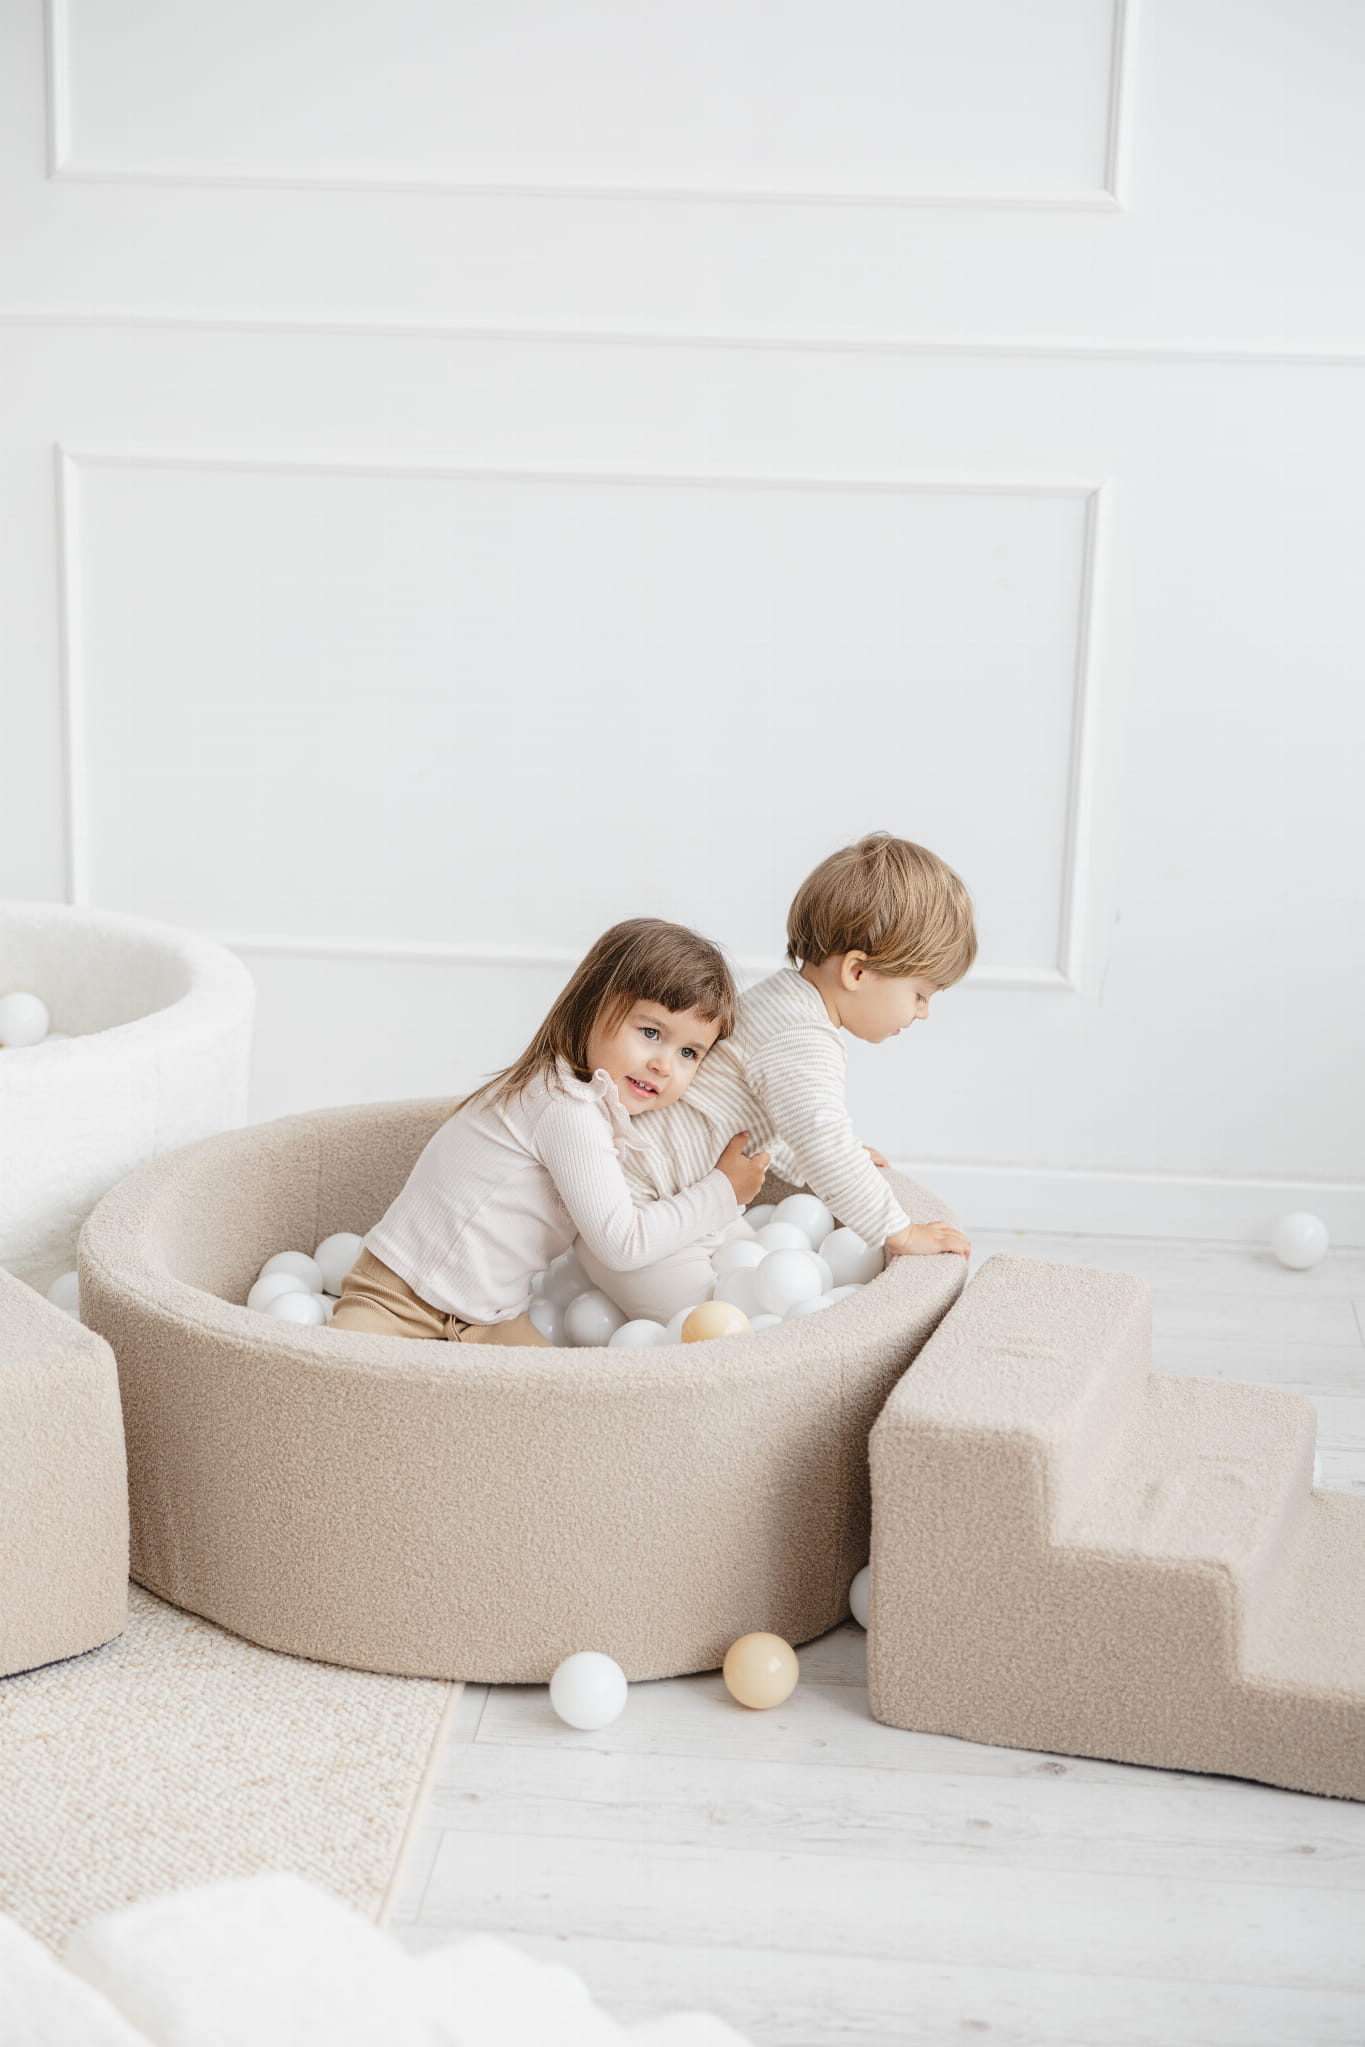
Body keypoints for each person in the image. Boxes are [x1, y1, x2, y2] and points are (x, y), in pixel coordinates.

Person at [577, 834, 975, 1323]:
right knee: (719, 1328)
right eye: (920, 994)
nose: (923, 1012)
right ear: (856, 971)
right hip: (643, 1215)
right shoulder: (803, 1036)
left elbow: (766, 1115)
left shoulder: (782, 1001)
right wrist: (901, 1232)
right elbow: (821, 1139)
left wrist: (819, 1159)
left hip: (688, 1201)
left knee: (766, 1275)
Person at [331, 919, 768, 1343]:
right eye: (651, 1031)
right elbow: (622, 1244)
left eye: (689, 1052)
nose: (664, 1064)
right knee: (341, 1377)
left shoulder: (594, 1105)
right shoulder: (563, 1105)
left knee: (568, 1393)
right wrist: (721, 1191)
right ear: (592, 1007)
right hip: (399, 1299)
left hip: (487, 1320)